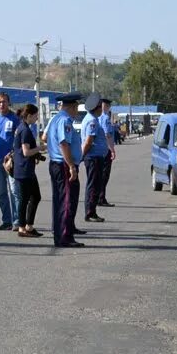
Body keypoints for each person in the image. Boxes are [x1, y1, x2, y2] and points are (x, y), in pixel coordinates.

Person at [46, 93, 84, 248]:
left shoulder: (56, 119)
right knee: (66, 201)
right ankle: (64, 236)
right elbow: (64, 144)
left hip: (57, 164)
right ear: (72, 107)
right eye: (76, 108)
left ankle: (61, 233)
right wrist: (71, 166)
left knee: (60, 200)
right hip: (63, 165)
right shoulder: (64, 120)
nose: (76, 112)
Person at [0, 93, 22, 231]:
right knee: (2, 193)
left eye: (4, 102)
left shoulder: (15, 119)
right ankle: (6, 220)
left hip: (11, 161)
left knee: (14, 191)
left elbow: (19, 140)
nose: (2, 104)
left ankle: (17, 221)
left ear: (9, 102)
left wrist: (13, 155)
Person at [12, 104, 43, 237]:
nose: (36, 119)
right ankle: (22, 228)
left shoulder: (23, 128)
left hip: (26, 169)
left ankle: (28, 226)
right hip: (23, 170)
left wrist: (37, 155)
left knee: (35, 197)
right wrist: (40, 148)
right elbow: (25, 152)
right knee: (26, 199)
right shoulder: (24, 130)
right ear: (29, 116)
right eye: (35, 116)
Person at [80, 94, 109, 224]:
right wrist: (81, 157)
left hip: (95, 158)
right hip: (93, 158)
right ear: (96, 108)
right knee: (93, 186)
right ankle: (90, 212)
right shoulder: (92, 121)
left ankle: (92, 211)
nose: (101, 110)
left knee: (95, 185)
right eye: (100, 107)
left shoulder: (91, 119)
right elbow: (88, 142)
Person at [99, 98, 117, 207]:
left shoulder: (97, 117)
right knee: (104, 175)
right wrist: (112, 150)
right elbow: (107, 135)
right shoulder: (105, 118)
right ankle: (101, 198)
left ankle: (99, 197)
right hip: (106, 150)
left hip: (100, 150)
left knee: (100, 175)